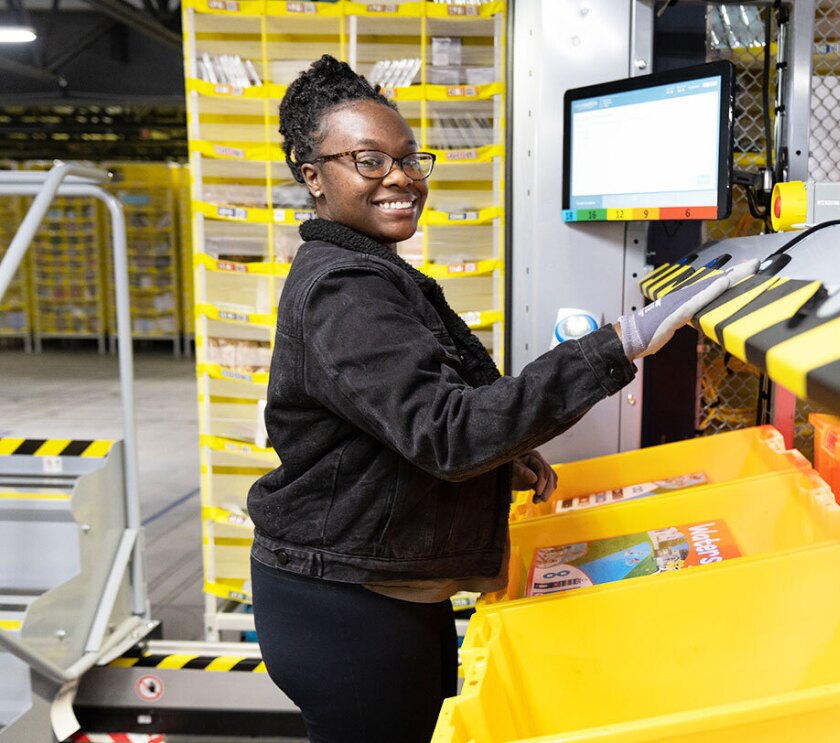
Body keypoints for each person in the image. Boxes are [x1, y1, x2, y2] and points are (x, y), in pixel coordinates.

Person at [247, 54, 739, 743]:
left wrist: (500, 464)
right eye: (368, 160)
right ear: (313, 177)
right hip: (345, 605)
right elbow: (448, 432)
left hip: (377, 587)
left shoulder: (369, 271)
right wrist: (619, 342)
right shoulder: (344, 289)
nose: (400, 177)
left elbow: (392, 423)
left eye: (408, 158)